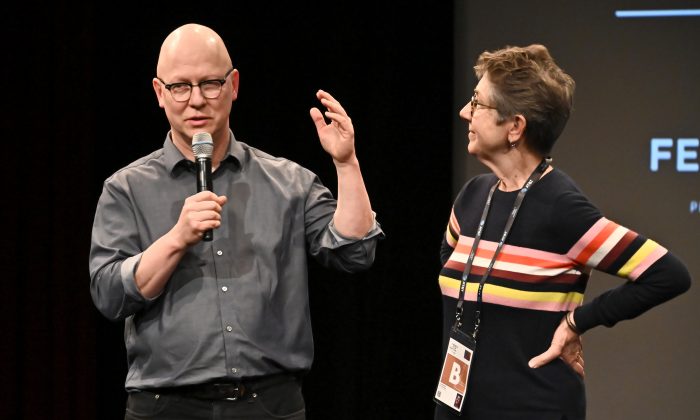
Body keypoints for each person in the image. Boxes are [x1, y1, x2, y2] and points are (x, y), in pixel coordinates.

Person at [89, 23, 383, 420]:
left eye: (210, 83)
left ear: (234, 85)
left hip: (270, 403)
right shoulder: (126, 188)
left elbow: (353, 252)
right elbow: (109, 294)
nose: (196, 101)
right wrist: (177, 238)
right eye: (180, 87)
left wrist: (346, 164)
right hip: (166, 406)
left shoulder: (288, 181)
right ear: (160, 93)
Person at [435, 44, 691, 419]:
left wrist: (577, 322)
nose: (464, 113)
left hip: (533, 408)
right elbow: (449, 265)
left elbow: (668, 274)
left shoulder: (561, 207)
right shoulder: (473, 197)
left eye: (477, 104)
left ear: (515, 127)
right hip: (457, 405)